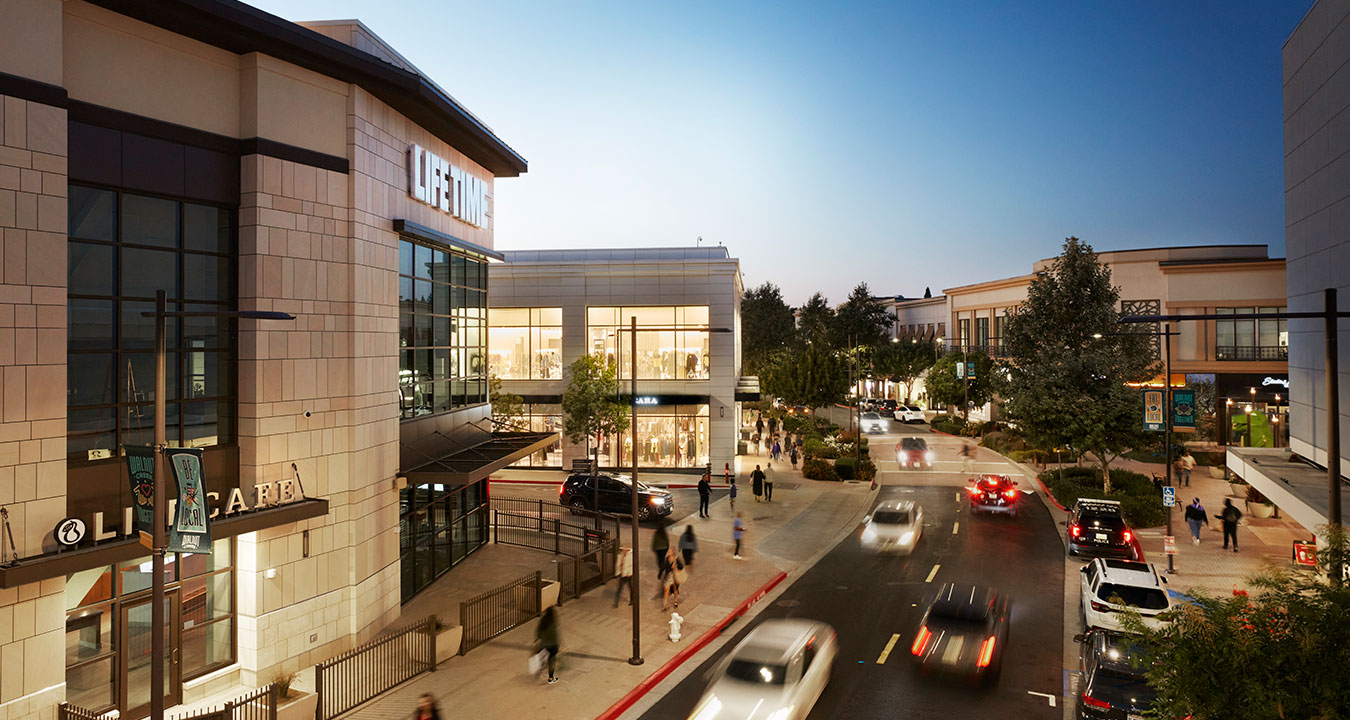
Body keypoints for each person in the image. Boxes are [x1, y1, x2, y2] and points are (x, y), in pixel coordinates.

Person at [535, 607, 560, 684]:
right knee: (551, 660)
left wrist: (538, 639)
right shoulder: (553, 622)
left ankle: (539, 669)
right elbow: (555, 636)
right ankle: (551, 678)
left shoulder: (543, 620)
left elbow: (538, 631)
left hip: (544, 644)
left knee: (541, 656)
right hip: (552, 645)